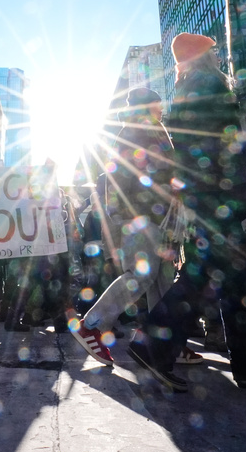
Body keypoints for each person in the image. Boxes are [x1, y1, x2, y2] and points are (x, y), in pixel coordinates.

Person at [126, 33, 246, 392]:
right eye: (213, 52)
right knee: (209, 276)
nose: (219, 57)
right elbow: (221, 148)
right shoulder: (208, 84)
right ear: (203, 56)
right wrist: (238, 196)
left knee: (228, 280)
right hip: (218, 198)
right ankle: (155, 345)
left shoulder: (188, 87)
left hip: (206, 196)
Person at [71, 88, 191, 364]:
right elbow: (130, 177)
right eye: (157, 104)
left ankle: (163, 342)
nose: (161, 109)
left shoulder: (149, 131)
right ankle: (92, 325)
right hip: (141, 217)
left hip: (156, 217)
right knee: (140, 275)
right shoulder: (137, 132)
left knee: (162, 279)